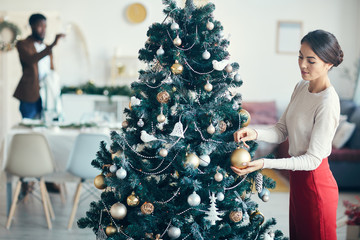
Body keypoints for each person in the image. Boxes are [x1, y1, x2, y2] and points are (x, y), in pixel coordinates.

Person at [233, 30, 343, 240]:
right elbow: (281, 129)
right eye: (300, 56)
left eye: (311, 60)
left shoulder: (328, 102)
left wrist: (265, 163)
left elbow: (312, 160)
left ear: (328, 64)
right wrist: (253, 132)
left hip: (316, 185)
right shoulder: (301, 87)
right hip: (298, 182)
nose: (302, 65)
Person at [13, 13, 65, 119]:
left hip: (46, 94)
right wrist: (53, 44)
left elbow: (51, 69)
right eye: (40, 26)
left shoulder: (46, 48)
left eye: (45, 26)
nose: (43, 30)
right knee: (29, 126)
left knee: (46, 124)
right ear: (32, 26)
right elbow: (31, 60)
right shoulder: (22, 44)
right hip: (30, 94)